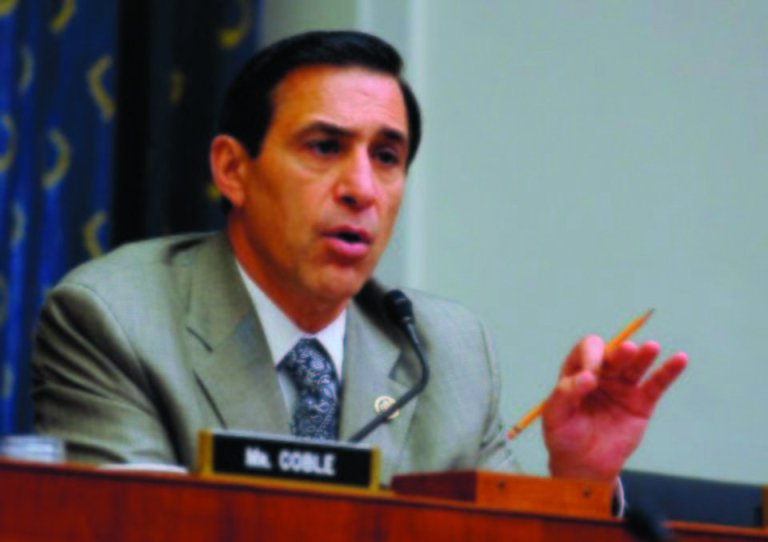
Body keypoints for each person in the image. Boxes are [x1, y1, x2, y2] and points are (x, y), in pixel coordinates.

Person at [31, 31, 687, 487]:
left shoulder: (449, 350)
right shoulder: (117, 319)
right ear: (233, 169)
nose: (362, 189)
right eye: (323, 147)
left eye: (387, 157)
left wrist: (577, 480)